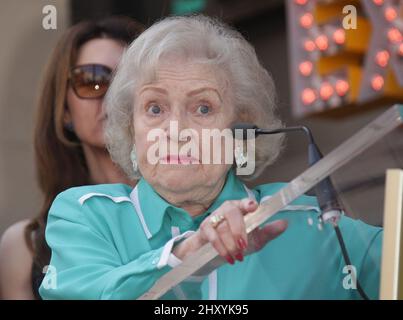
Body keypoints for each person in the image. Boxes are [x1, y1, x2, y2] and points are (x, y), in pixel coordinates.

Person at [38, 15, 382, 300]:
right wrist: (188, 253)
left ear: (241, 132)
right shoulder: (86, 214)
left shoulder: (311, 224)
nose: (175, 129)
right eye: (155, 108)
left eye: (202, 108)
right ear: (131, 129)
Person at [0, 17, 144, 300]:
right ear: (64, 110)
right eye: (92, 80)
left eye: (127, 81)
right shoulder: (24, 248)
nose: (113, 96)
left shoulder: (195, 216)